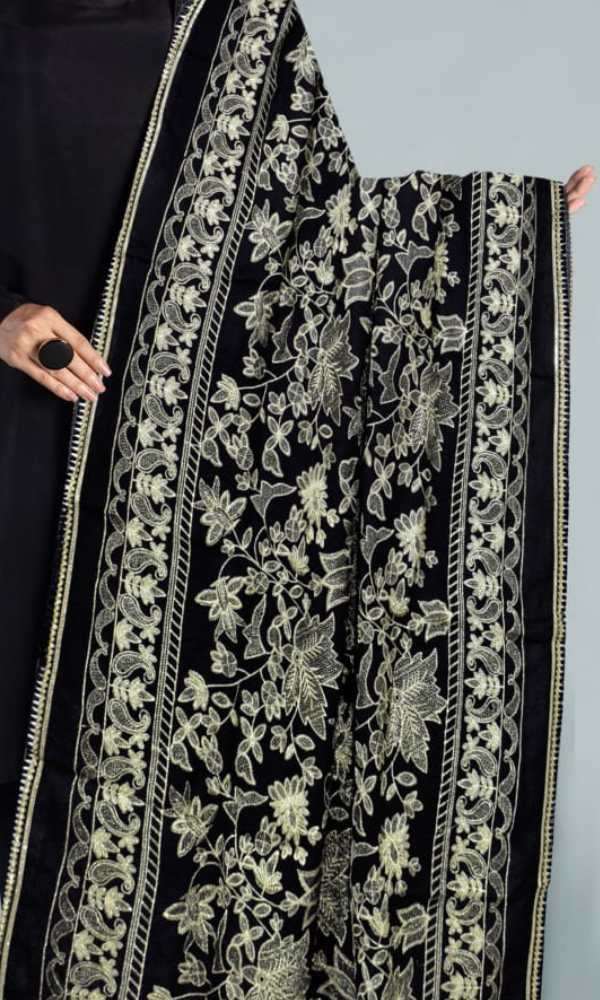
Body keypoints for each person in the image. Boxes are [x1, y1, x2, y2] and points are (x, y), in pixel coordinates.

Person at [0, 1, 595, 997]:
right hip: (29, 441)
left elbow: (327, 238)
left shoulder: (237, 28)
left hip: (166, 485)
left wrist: (500, 227)